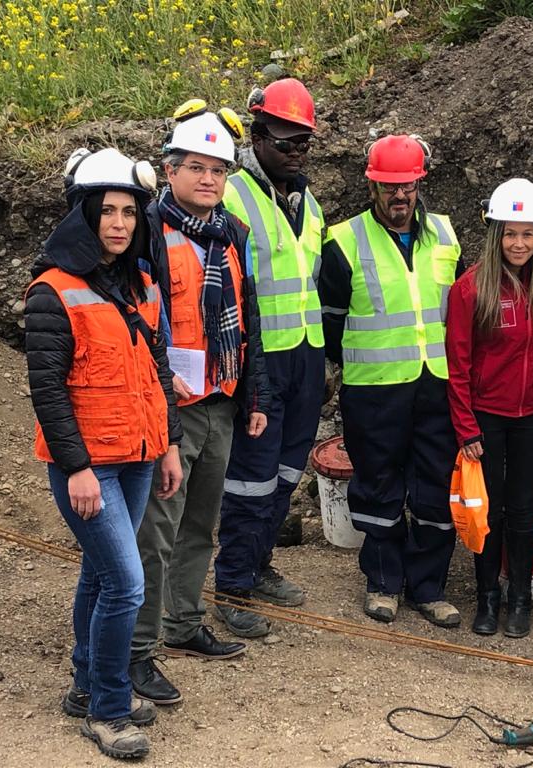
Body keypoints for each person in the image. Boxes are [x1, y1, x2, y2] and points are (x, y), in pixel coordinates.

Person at [25, 147, 183, 760]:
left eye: (128, 212)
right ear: (84, 217)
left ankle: (86, 685)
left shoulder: (141, 284)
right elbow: (47, 393)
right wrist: (77, 469)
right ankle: (110, 710)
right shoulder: (51, 292)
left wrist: (166, 445)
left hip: (141, 455)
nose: (119, 223)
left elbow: (157, 369)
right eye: (106, 212)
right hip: (89, 466)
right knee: (126, 584)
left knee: (101, 576)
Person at [129, 101, 271, 705]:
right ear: (169, 171)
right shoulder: (147, 236)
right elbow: (138, 327)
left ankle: (182, 624)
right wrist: (158, 401)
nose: (210, 179)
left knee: (199, 526)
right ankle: (137, 650)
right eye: (197, 167)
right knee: (154, 531)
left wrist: (254, 394)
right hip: (170, 407)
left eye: (218, 169)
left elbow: (250, 320)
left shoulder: (230, 235)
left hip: (220, 400)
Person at [319, 134, 464, 628]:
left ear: (420, 182)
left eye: (406, 186)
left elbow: (461, 311)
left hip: (437, 385)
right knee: (378, 487)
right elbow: (332, 321)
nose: (398, 197)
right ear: (372, 185)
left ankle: (427, 587)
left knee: (434, 489)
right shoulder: (342, 241)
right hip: (374, 389)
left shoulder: (446, 235)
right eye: (387, 187)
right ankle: (383, 581)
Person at [214, 78, 325, 636]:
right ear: (255, 138)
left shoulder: (308, 201)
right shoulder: (231, 195)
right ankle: (231, 583)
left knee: (284, 473)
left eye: (302, 142)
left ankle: (257, 566)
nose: (295, 152)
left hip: (305, 359)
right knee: (252, 477)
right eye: (285, 142)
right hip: (261, 361)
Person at [445, 178, 533, 638]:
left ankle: (520, 599)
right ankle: (487, 597)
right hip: (486, 419)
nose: (519, 243)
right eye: (510, 233)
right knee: (486, 511)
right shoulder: (471, 289)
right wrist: (467, 429)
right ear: (495, 234)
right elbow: (458, 365)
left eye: (528, 233)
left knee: (522, 511)